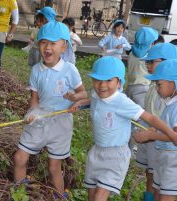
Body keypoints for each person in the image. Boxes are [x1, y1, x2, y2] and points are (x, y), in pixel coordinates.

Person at [69, 56, 177, 201]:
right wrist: (81, 102)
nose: (102, 85)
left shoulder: (122, 102)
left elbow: (150, 118)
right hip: (96, 152)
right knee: (92, 194)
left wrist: (170, 133)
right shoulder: (96, 95)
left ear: (119, 82)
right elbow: (93, 100)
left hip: (116, 155)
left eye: (109, 80)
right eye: (97, 80)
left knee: (99, 196)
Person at [13, 21, 87, 199]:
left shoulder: (70, 70)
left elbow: (83, 93)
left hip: (60, 124)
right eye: (43, 42)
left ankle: (60, 195)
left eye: (53, 43)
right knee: (19, 158)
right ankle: (18, 191)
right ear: (38, 45)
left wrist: (76, 100)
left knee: (54, 166)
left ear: (64, 47)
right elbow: (34, 99)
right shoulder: (36, 71)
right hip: (39, 119)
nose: (47, 47)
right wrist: (31, 113)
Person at [135, 43, 177, 201]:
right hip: (162, 152)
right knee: (153, 180)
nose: (148, 65)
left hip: (170, 157)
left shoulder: (173, 103)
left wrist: (153, 135)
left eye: (152, 62)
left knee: (164, 193)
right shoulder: (162, 93)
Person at [126, 27, 160, 108]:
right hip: (142, 89)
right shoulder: (149, 57)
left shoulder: (131, 54)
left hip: (130, 87)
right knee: (143, 115)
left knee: (130, 113)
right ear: (151, 44)